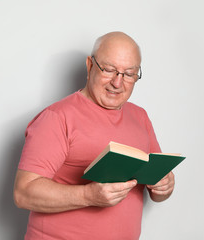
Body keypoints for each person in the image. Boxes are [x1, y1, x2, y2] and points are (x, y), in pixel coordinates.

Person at [13, 31, 175, 240]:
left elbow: (157, 188)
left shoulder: (140, 116)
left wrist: (164, 187)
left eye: (128, 74)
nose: (118, 83)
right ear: (90, 66)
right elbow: (23, 193)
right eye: (109, 70)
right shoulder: (57, 117)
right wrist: (88, 195)